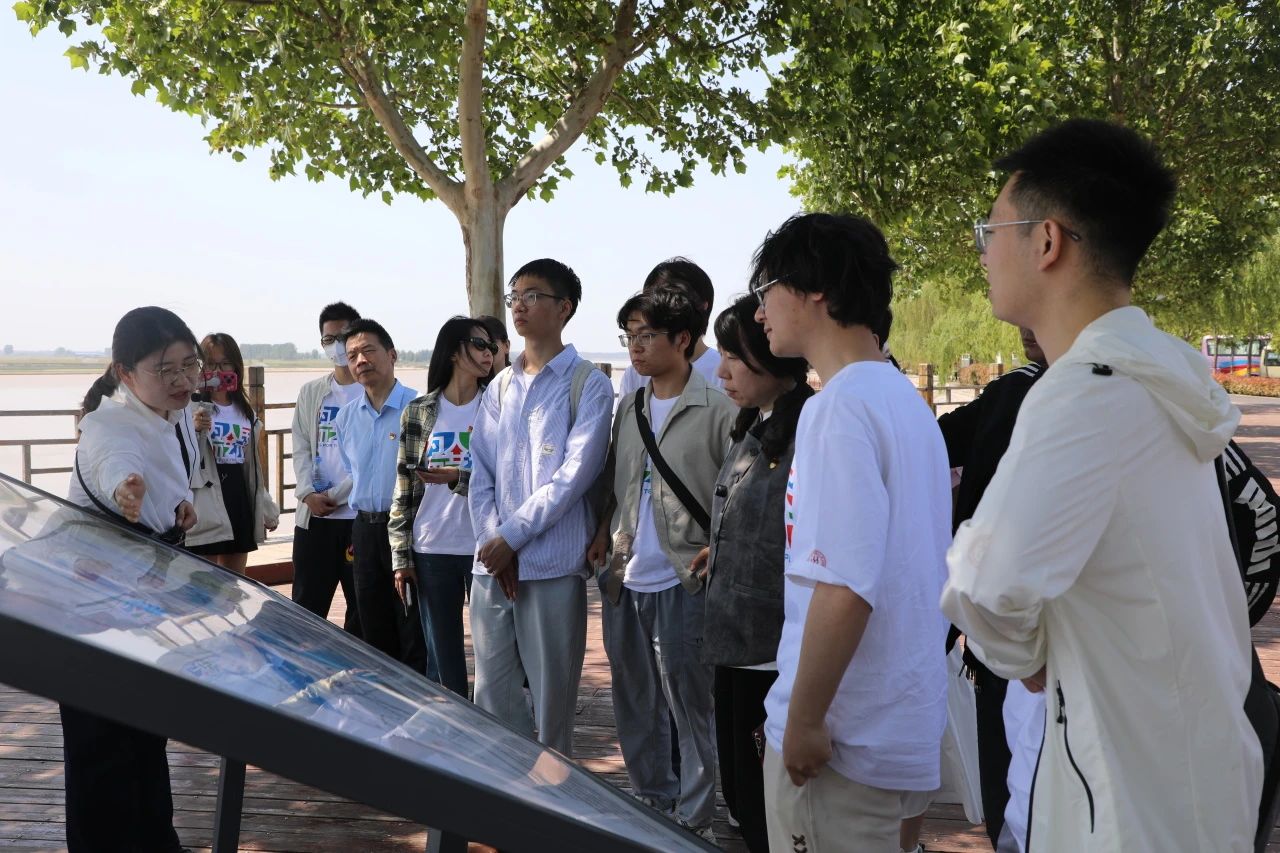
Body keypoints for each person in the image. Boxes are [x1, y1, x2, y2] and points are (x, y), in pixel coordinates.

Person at [940, 118, 1262, 851]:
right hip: (1187, 775)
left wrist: (1026, 653)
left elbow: (983, 588)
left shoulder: (1083, 392)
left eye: (991, 230)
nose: (983, 252)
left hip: (1121, 804)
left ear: (1047, 242)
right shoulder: (1159, 378)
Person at [751, 213, 952, 853]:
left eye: (765, 290)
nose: (759, 312)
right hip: (900, 728)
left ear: (816, 288)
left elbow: (843, 584)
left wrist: (804, 719)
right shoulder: (903, 401)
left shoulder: (837, 408)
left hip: (844, 742)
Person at [587, 285, 736, 842]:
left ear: (683, 339)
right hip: (625, 574)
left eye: (648, 335)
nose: (636, 346)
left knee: (690, 704)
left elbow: (736, 494)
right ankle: (651, 798)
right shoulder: (629, 409)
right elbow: (614, 483)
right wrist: (601, 536)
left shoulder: (718, 408)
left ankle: (695, 817)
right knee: (633, 697)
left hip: (685, 577)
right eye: (630, 336)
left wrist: (719, 551)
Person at [63, 306, 202, 852]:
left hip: (145, 598)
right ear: (125, 372)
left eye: (189, 365)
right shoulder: (109, 423)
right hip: (95, 606)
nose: (182, 380)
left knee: (145, 731)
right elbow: (116, 461)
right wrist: (126, 488)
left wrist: (179, 505)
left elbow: (169, 475)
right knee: (103, 745)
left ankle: (155, 840)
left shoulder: (172, 414)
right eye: (165, 370)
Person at [468, 258, 613, 756]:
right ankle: (503, 792)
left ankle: (553, 798)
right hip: (492, 567)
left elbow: (572, 480)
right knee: (492, 697)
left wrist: (510, 539)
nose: (519, 306)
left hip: (551, 565)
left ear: (564, 308)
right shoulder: (500, 386)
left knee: (552, 704)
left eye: (532, 296)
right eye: (515, 296)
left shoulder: (587, 384)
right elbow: (480, 473)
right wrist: (494, 543)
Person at [691, 294, 813, 852]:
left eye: (734, 357)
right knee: (742, 796)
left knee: (770, 809)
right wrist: (723, 549)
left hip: (772, 648)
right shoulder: (753, 425)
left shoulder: (808, 428)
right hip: (734, 638)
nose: (722, 372)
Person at [389, 317, 496, 697]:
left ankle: (493, 724)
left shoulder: (498, 406)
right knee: (442, 660)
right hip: (431, 545)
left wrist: (457, 477)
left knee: (495, 654)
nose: (489, 353)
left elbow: (507, 478)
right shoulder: (418, 411)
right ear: (453, 351)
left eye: (491, 346)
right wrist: (401, 556)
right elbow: (403, 489)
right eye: (479, 344)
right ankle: (451, 726)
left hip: (487, 546)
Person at [335, 319, 430, 674]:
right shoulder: (346, 418)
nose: (360, 360)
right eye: (352, 355)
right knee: (372, 624)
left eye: (368, 350)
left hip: (408, 528)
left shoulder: (419, 409)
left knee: (411, 625)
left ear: (392, 355)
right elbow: (352, 470)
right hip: (364, 529)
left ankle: (417, 698)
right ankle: (383, 698)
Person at [291, 301, 364, 634]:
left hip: (357, 519)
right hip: (314, 518)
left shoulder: (372, 392)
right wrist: (307, 493)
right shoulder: (312, 393)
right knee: (306, 609)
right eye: (328, 339)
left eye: (342, 337)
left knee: (362, 612)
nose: (336, 346)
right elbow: (301, 447)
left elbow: (371, 459)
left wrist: (337, 495)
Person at [185, 332, 279, 572]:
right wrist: (193, 429)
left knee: (236, 580)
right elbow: (179, 455)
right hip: (205, 497)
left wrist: (266, 509)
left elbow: (251, 467)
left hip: (237, 493)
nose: (218, 371)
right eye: (211, 364)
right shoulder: (189, 406)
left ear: (236, 367)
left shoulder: (245, 412)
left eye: (225, 363)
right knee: (203, 579)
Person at [617, 258, 723, 397]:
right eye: (653, 299)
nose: (661, 307)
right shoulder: (634, 374)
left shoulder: (723, 371)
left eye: (673, 299)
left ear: (702, 306)